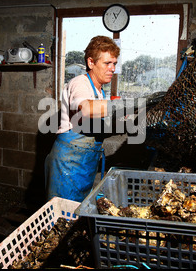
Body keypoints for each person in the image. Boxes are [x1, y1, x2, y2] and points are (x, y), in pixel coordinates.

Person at [45, 35, 133, 202]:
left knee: (81, 210)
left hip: (85, 162)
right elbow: (86, 109)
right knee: (63, 215)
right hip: (68, 163)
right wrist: (121, 106)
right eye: (107, 63)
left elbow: (94, 125)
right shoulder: (80, 83)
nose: (112, 68)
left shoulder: (99, 92)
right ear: (91, 63)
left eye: (114, 63)